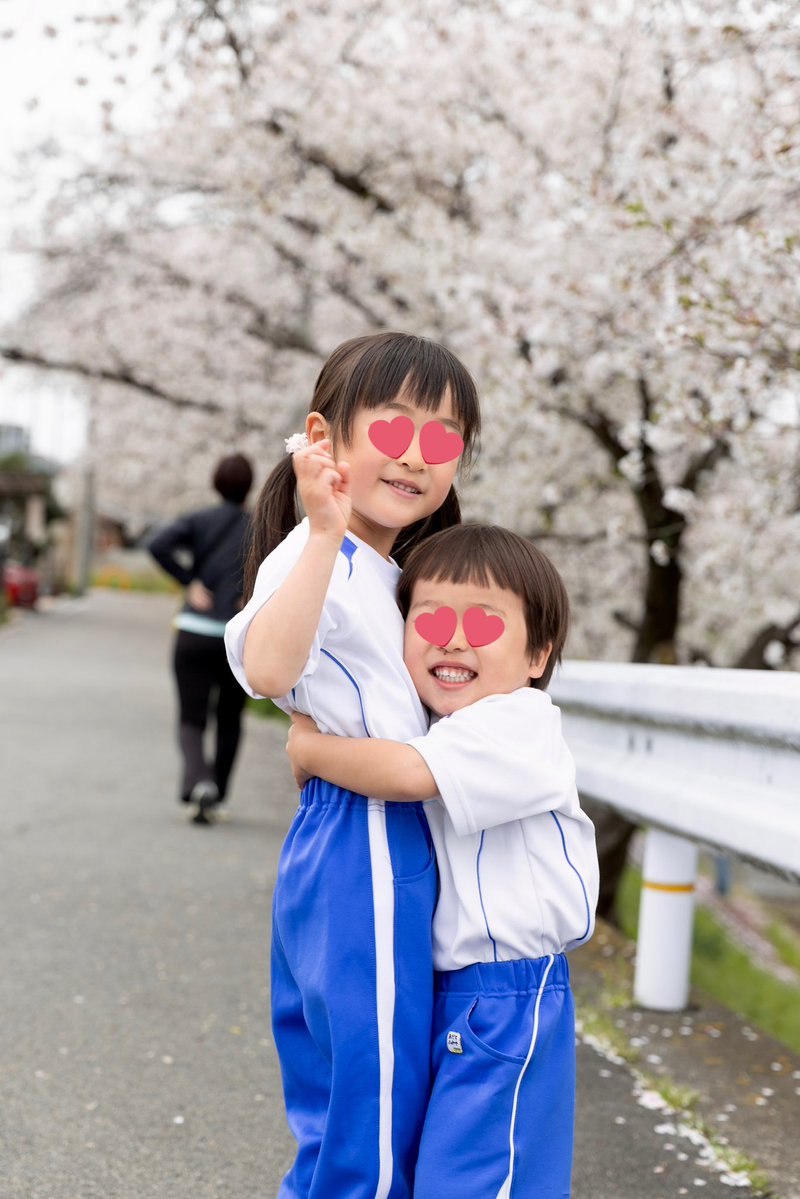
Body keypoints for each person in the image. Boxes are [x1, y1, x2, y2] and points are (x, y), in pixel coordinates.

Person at [224, 332, 481, 1199]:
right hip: (362, 844)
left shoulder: (387, 568)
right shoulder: (316, 553)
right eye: (396, 426)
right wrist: (325, 526)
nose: (418, 455)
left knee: (366, 1098)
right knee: (366, 1114)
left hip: (375, 840)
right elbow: (267, 668)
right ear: (324, 438)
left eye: (444, 438)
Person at [286, 523, 599, 1199]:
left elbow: (405, 773)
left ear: (538, 653)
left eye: (484, 621)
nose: (454, 638)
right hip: (446, 991)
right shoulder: (439, 724)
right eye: (428, 618)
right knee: (430, 1172)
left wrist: (310, 751)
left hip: (508, 994)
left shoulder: (520, 723)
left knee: (480, 1178)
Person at [148, 453, 253, 823]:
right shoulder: (261, 526)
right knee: (229, 718)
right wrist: (251, 594)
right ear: (250, 485)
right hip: (237, 638)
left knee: (191, 718)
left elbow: (156, 544)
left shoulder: (199, 520)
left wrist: (188, 580)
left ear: (215, 483)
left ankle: (199, 781)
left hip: (194, 632)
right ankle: (218, 794)